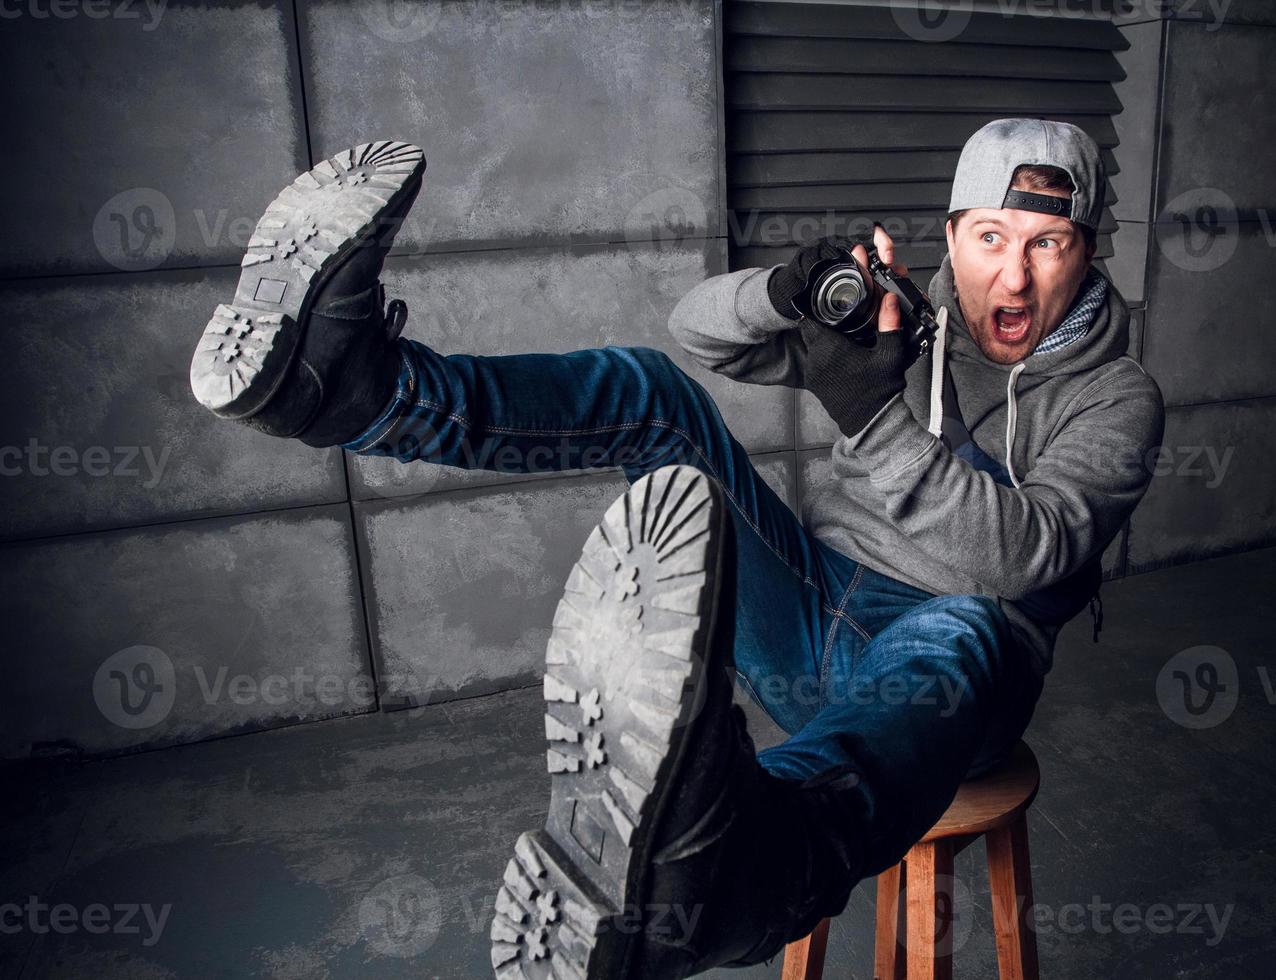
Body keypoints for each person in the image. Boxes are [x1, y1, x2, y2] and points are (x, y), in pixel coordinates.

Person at [189, 119, 1164, 979]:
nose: (1017, 273)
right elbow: (699, 335)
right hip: (814, 607)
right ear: (952, 234)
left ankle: (740, 876)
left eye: (1050, 242)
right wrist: (786, 294)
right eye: (991, 238)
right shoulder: (903, 319)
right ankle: (357, 387)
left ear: (1088, 250)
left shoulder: (1116, 397)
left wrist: (875, 417)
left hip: (962, 678)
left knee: (955, 625)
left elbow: (1032, 554)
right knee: (654, 392)